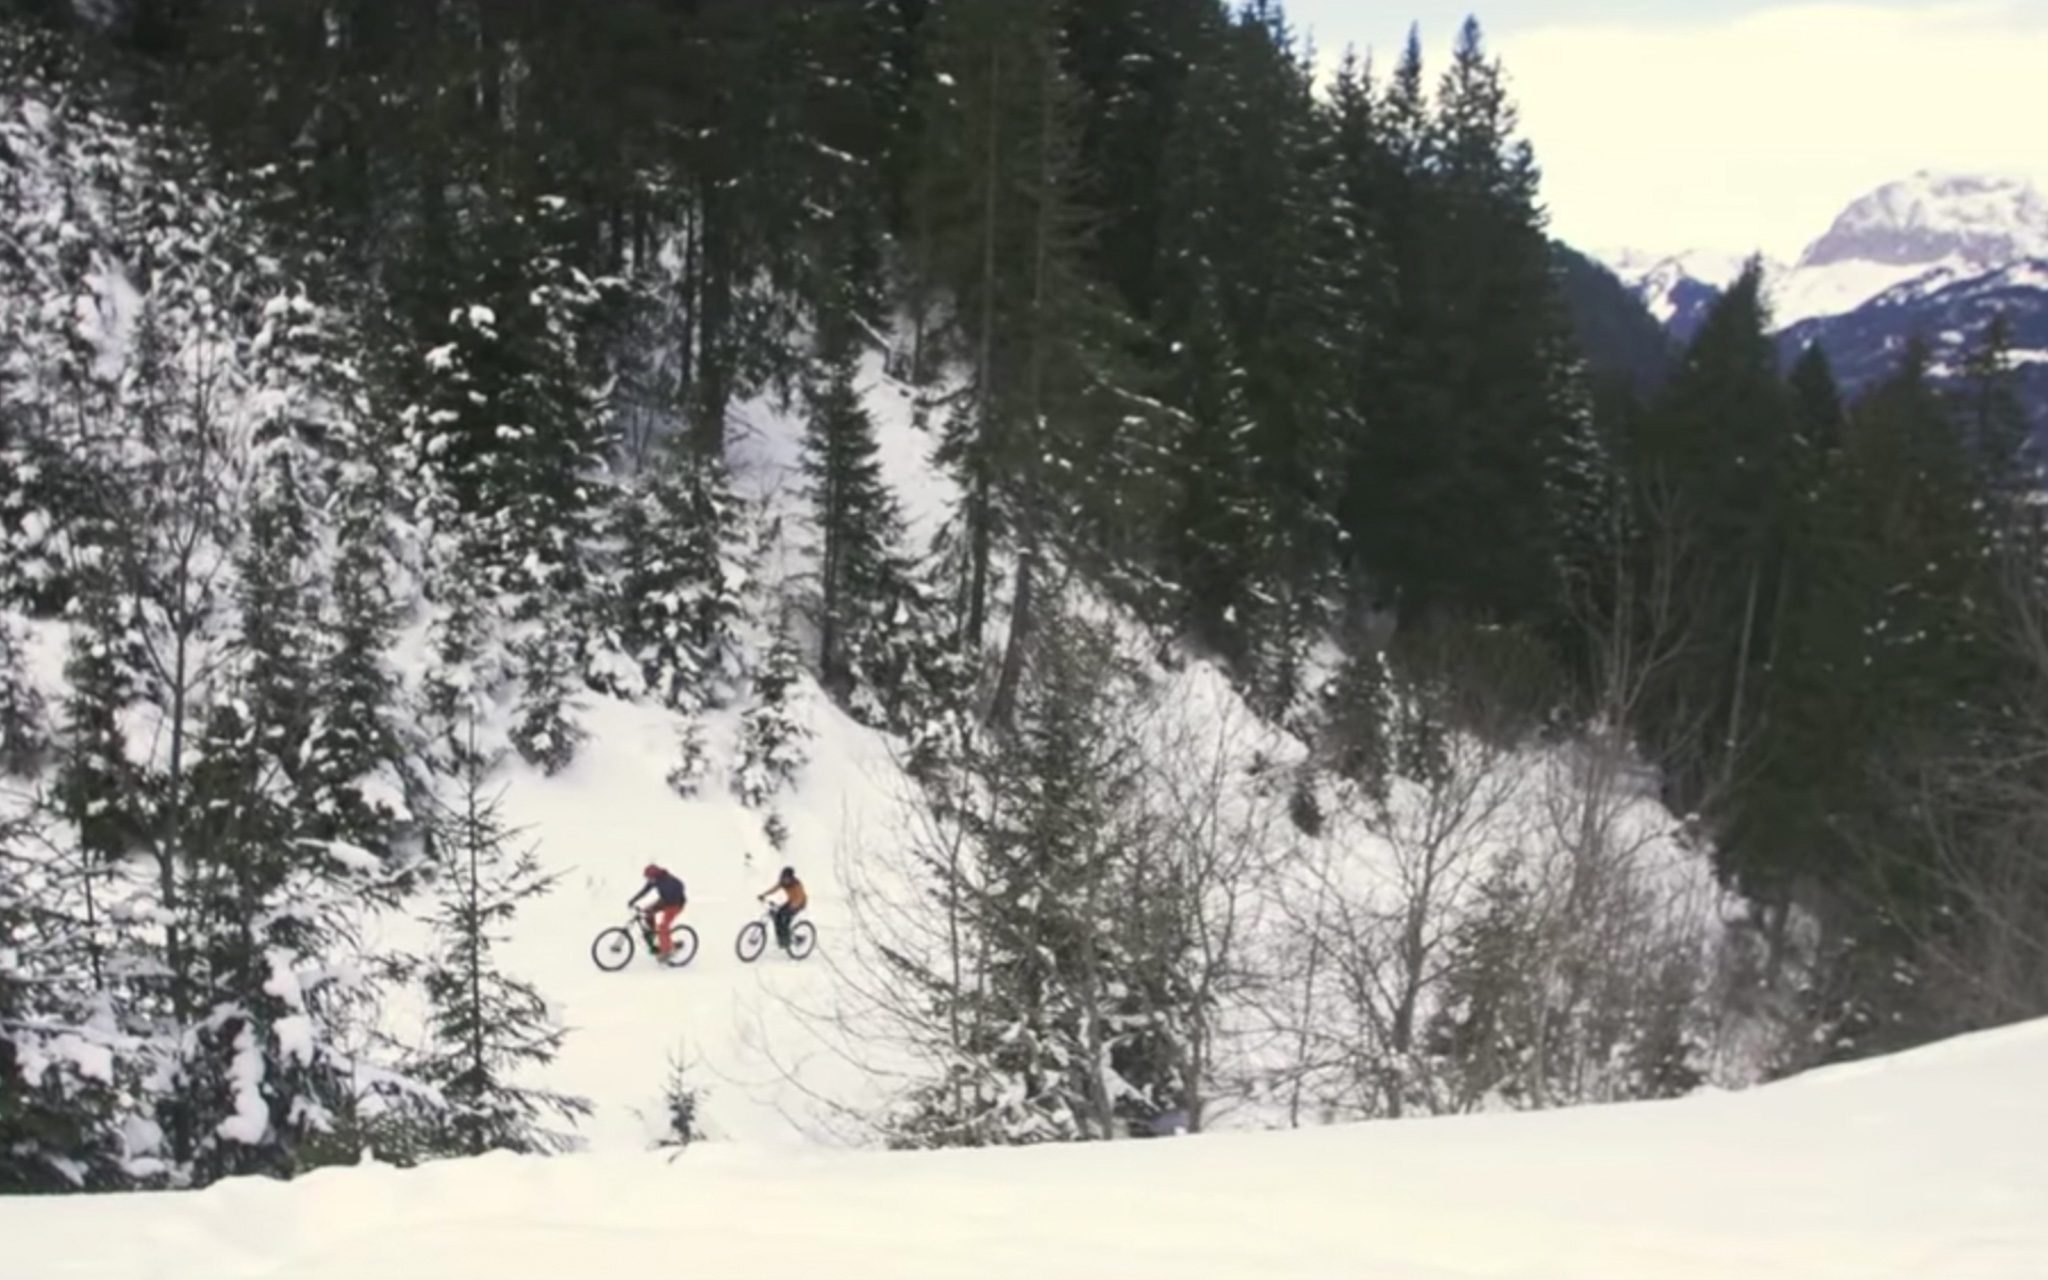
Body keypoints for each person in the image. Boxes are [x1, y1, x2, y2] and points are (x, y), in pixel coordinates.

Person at [629, 863, 687, 959]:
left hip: (675, 904)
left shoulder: (670, 881)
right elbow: (644, 891)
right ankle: (653, 935)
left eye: (650, 877)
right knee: (647, 912)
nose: (649, 880)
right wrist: (633, 900)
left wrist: (668, 903)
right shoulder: (655, 880)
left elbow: (681, 887)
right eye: (648, 878)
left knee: (663, 926)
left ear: (656, 875)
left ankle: (667, 952)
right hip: (665, 901)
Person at [757, 866, 807, 950]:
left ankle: (787, 941)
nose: (785, 880)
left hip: (799, 904)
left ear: (791, 878)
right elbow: (774, 889)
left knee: (785, 921)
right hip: (790, 901)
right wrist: (764, 895)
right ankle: (782, 937)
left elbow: (800, 897)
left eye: (786, 878)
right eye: (783, 877)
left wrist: (793, 907)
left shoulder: (796, 885)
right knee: (777, 917)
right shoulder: (783, 883)